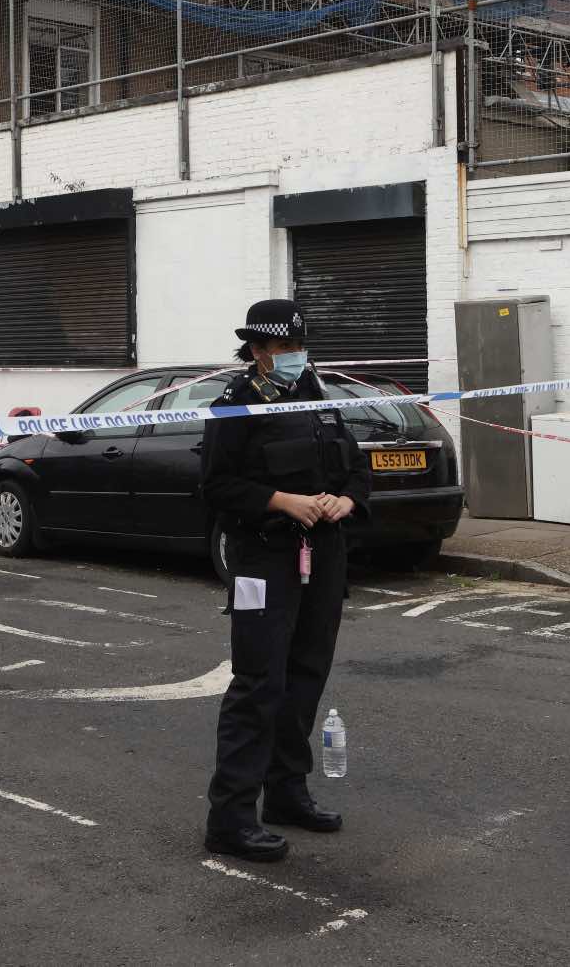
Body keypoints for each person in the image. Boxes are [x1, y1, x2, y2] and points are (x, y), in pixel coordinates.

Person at [201, 299, 370, 863]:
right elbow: (217, 485)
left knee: (305, 677)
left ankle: (287, 793)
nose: (297, 356)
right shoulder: (236, 405)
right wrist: (280, 501)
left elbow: (353, 467)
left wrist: (346, 499)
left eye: (300, 346)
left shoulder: (316, 396)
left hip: (323, 555)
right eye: (284, 349)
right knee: (258, 685)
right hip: (263, 558)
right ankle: (230, 818)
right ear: (258, 351)